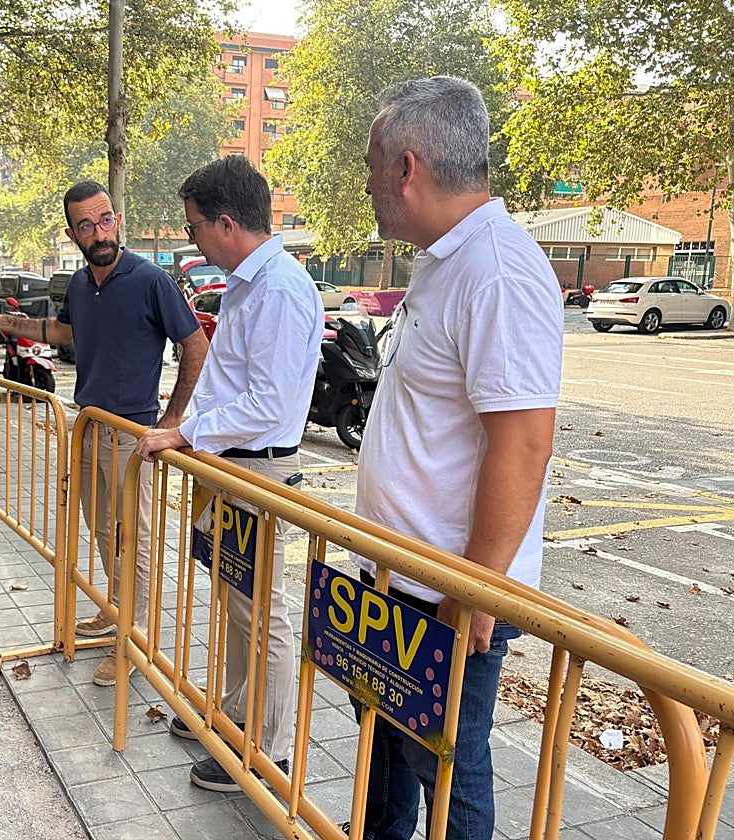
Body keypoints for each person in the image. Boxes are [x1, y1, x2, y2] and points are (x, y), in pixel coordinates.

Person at [348, 76, 562, 840]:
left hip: (446, 591)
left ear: (407, 167)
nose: (367, 182)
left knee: (446, 769)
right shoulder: (445, 259)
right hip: (396, 573)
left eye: (371, 164)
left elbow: (525, 442)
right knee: (388, 754)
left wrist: (472, 588)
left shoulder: (498, 269)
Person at [0, 181, 209, 686]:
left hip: (130, 434)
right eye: (87, 225)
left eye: (106, 219)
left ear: (118, 219)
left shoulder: (152, 280)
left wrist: (172, 421)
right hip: (88, 427)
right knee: (101, 530)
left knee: (131, 538)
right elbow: (62, 332)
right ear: (73, 234)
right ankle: (116, 611)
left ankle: (132, 639)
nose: (100, 232)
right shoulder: (77, 283)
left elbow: (195, 346)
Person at [134, 154, 324, 793]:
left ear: (224, 223)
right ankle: (237, 714)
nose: (191, 238)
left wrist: (184, 432)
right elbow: (229, 382)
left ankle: (260, 750)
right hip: (228, 470)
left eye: (192, 228)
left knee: (261, 612)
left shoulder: (278, 289)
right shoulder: (248, 284)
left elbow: (268, 403)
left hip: (256, 473)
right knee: (238, 606)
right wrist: (187, 431)